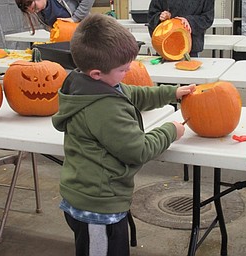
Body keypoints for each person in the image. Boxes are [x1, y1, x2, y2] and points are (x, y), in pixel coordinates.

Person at [52, 13, 195, 256]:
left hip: (89, 197)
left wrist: (172, 93)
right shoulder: (103, 107)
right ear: (97, 73)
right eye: (123, 69)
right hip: (98, 209)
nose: (128, 72)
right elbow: (137, 150)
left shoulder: (90, 85)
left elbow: (135, 94)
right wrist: (171, 131)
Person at [148, 0, 215, 57]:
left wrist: (189, 21)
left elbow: (207, 18)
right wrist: (161, 16)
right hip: (164, 47)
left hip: (191, 48)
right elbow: (152, 15)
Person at [15, 0, 94, 34]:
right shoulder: (41, 14)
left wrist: (75, 18)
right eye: (33, 11)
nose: (36, 11)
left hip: (86, 33)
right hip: (67, 44)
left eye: (35, 7)